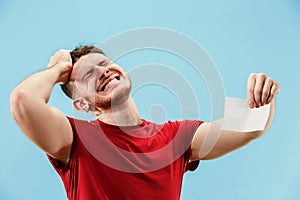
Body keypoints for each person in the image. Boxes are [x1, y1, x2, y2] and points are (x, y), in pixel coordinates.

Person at [10, 46, 280, 200]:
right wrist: (58, 70)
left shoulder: (176, 138)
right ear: (83, 105)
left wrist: (263, 99)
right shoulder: (75, 140)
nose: (103, 71)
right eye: (88, 75)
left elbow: (250, 128)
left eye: (104, 63)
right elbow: (23, 100)